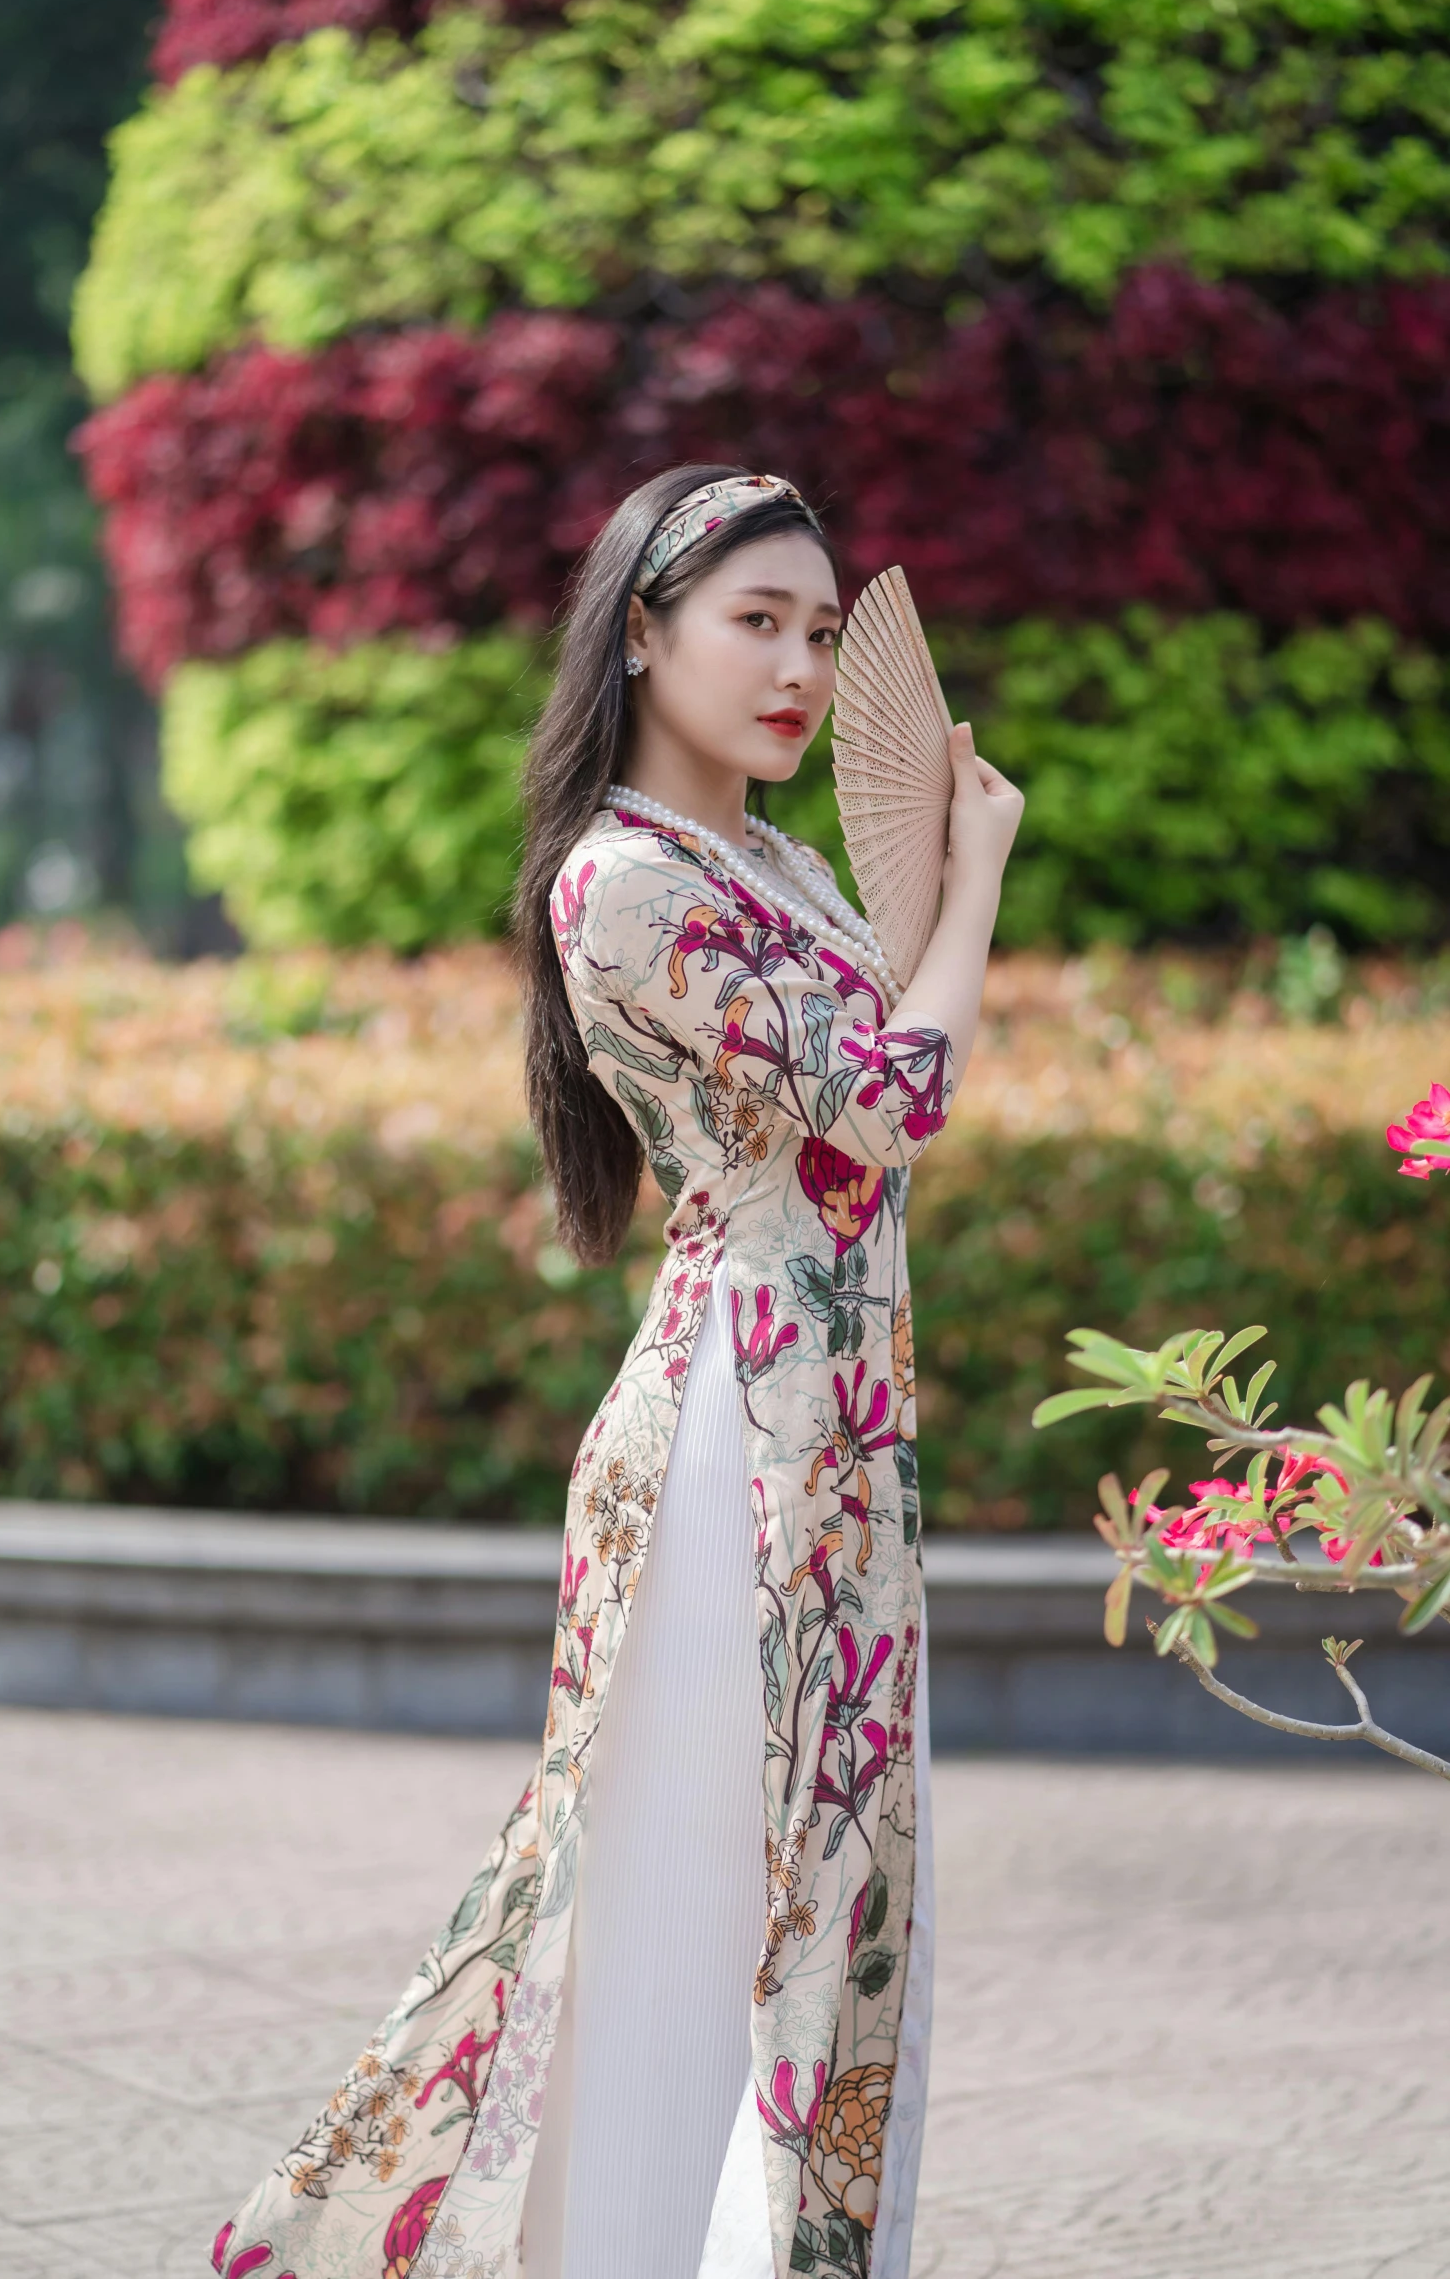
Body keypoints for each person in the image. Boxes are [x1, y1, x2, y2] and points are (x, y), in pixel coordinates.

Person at [210, 466, 1023, 2279]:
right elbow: (887, 1105)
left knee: (834, 1886)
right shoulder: (621, 884)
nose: (800, 665)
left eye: (822, 630)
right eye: (756, 621)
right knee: (679, 1906)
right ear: (641, 631)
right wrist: (977, 878)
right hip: (732, 1434)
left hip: (840, 1430)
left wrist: (919, 902)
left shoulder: (787, 861)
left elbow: (862, 1069)